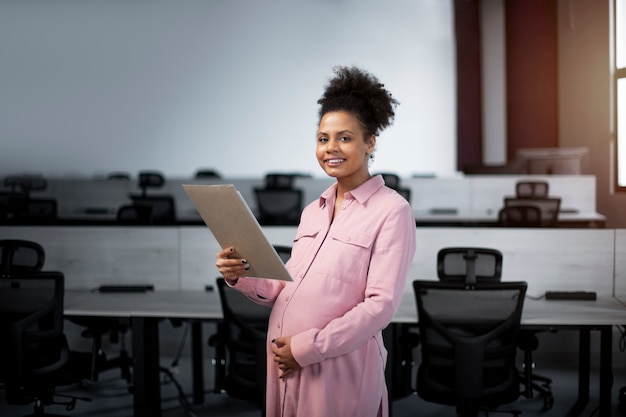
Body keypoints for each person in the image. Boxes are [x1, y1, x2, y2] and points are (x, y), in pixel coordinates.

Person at [216, 65, 416, 417]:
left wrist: (307, 348)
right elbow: (286, 286)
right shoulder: (314, 210)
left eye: (345, 137)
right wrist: (241, 274)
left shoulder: (392, 211)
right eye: (323, 138)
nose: (330, 148)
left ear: (371, 142)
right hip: (284, 361)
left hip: (334, 364)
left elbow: (379, 307)